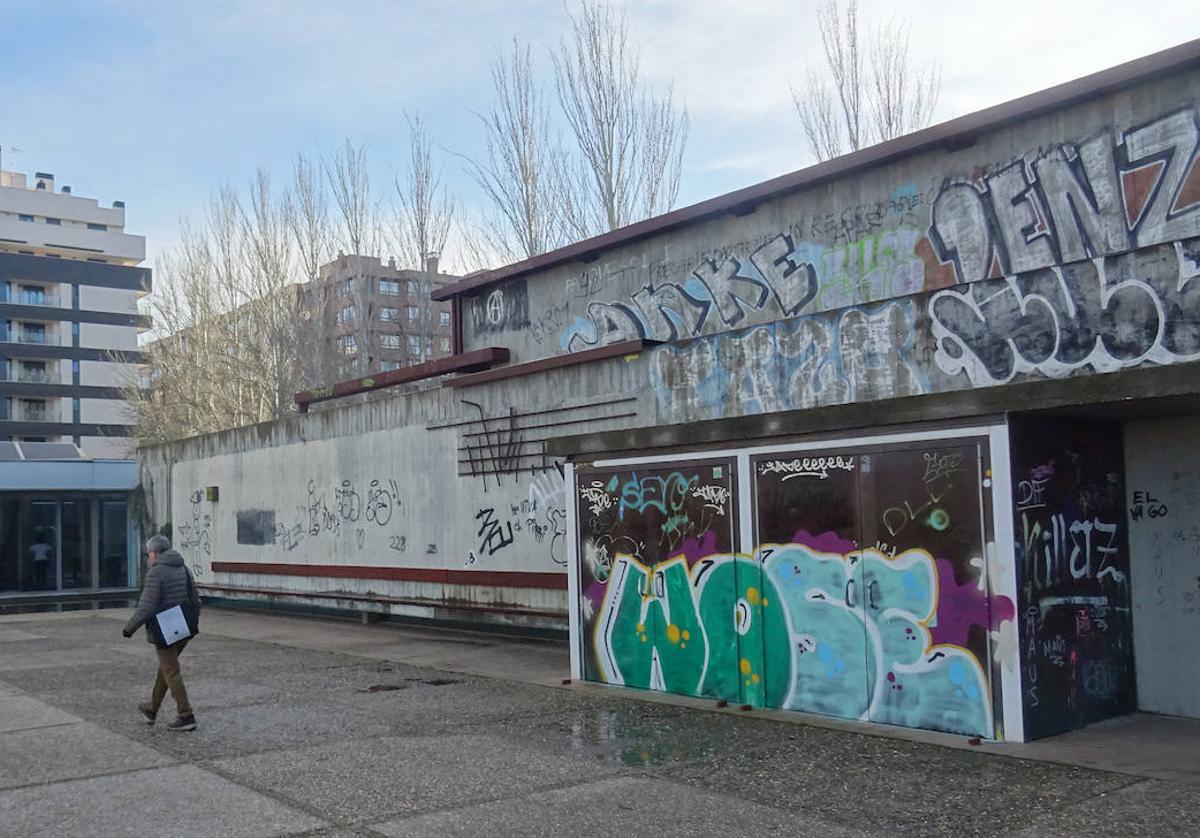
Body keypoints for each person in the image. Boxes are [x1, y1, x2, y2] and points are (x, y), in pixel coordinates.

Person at [122, 534, 201, 731]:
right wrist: (192, 624)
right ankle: (152, 708)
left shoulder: (156, 573)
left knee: (171, 670)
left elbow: (147, 606)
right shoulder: (183, 568)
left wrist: (129, 627)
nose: (148, 558)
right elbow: (196, 600)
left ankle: (186, 714)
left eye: (148, 553)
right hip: (183, 626)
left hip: (164, 628)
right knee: (166, 668)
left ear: (154, 553)